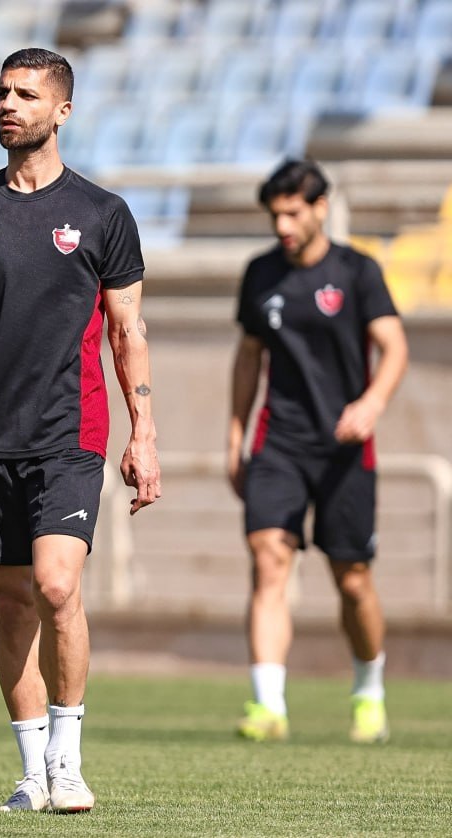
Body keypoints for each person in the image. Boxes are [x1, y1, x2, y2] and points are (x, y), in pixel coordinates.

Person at [0, 48, 161, 814]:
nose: (8, 104)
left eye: (26, 94)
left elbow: (128, 330)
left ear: (63, 111)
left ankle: (67, 761)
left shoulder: (104, 214)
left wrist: (143, 431)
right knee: (13, 603)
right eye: (2, 92)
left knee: (56, 584)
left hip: (70, 430)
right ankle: (30, 775)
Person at [228, 159, 408, 745]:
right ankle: (268, 705)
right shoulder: (260, 274)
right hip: (278, 443)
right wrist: (235, 435)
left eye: (292, 213)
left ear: (320, 208)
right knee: (269, 560)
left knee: (352, 579)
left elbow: (394, 346)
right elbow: (249, 357)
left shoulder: (358, 272)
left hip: (344, 449)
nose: (282, 225)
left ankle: (369, 691)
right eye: (274, 215)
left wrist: (372, 403)